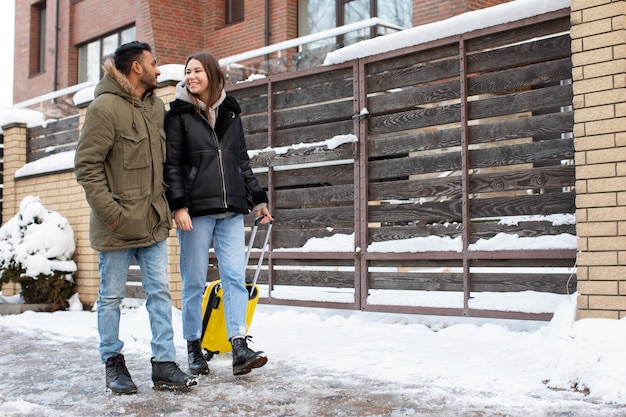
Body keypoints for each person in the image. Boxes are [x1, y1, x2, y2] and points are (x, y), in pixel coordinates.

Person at [74, 41, 197, 394]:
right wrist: (111, 213)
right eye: (154, 63)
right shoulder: (104, 108)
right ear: (136, 68)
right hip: (115, 226)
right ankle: (113, 362)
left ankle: (163, 363)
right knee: (111, 297)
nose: (159, 70)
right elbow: (87, 166)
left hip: (153, 222)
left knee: (159, 293)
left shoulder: (156, 108)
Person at [164, 51, 272, 376]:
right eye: (187, 72)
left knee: (235, 278)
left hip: (231, 209)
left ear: (212, 74)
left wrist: (258, 200)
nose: (191, 76)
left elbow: (242, 161)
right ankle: (194, 346)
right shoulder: (178, 115)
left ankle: (239, 344)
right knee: (195, 281)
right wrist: (178, 205)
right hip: (195, 211)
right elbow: (171, 166)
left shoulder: (231, 113)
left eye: (197, 70)